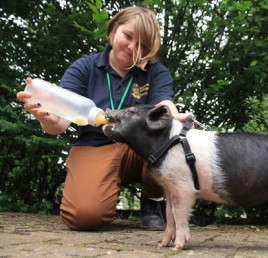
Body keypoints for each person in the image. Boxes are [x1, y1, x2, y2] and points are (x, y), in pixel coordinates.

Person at [16, 6, 186, 231]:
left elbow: (163, 103)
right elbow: (59, 122)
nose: (133, 47)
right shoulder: (84, 67)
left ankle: (152, 200)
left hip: (138, 146)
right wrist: (47, 118)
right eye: (128, 36)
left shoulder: (156, 71)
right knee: (83, 217)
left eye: (143, 45)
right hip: (94, 145)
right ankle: (102, 191)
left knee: (170, 140)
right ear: (114, 29)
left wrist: (173, 116)